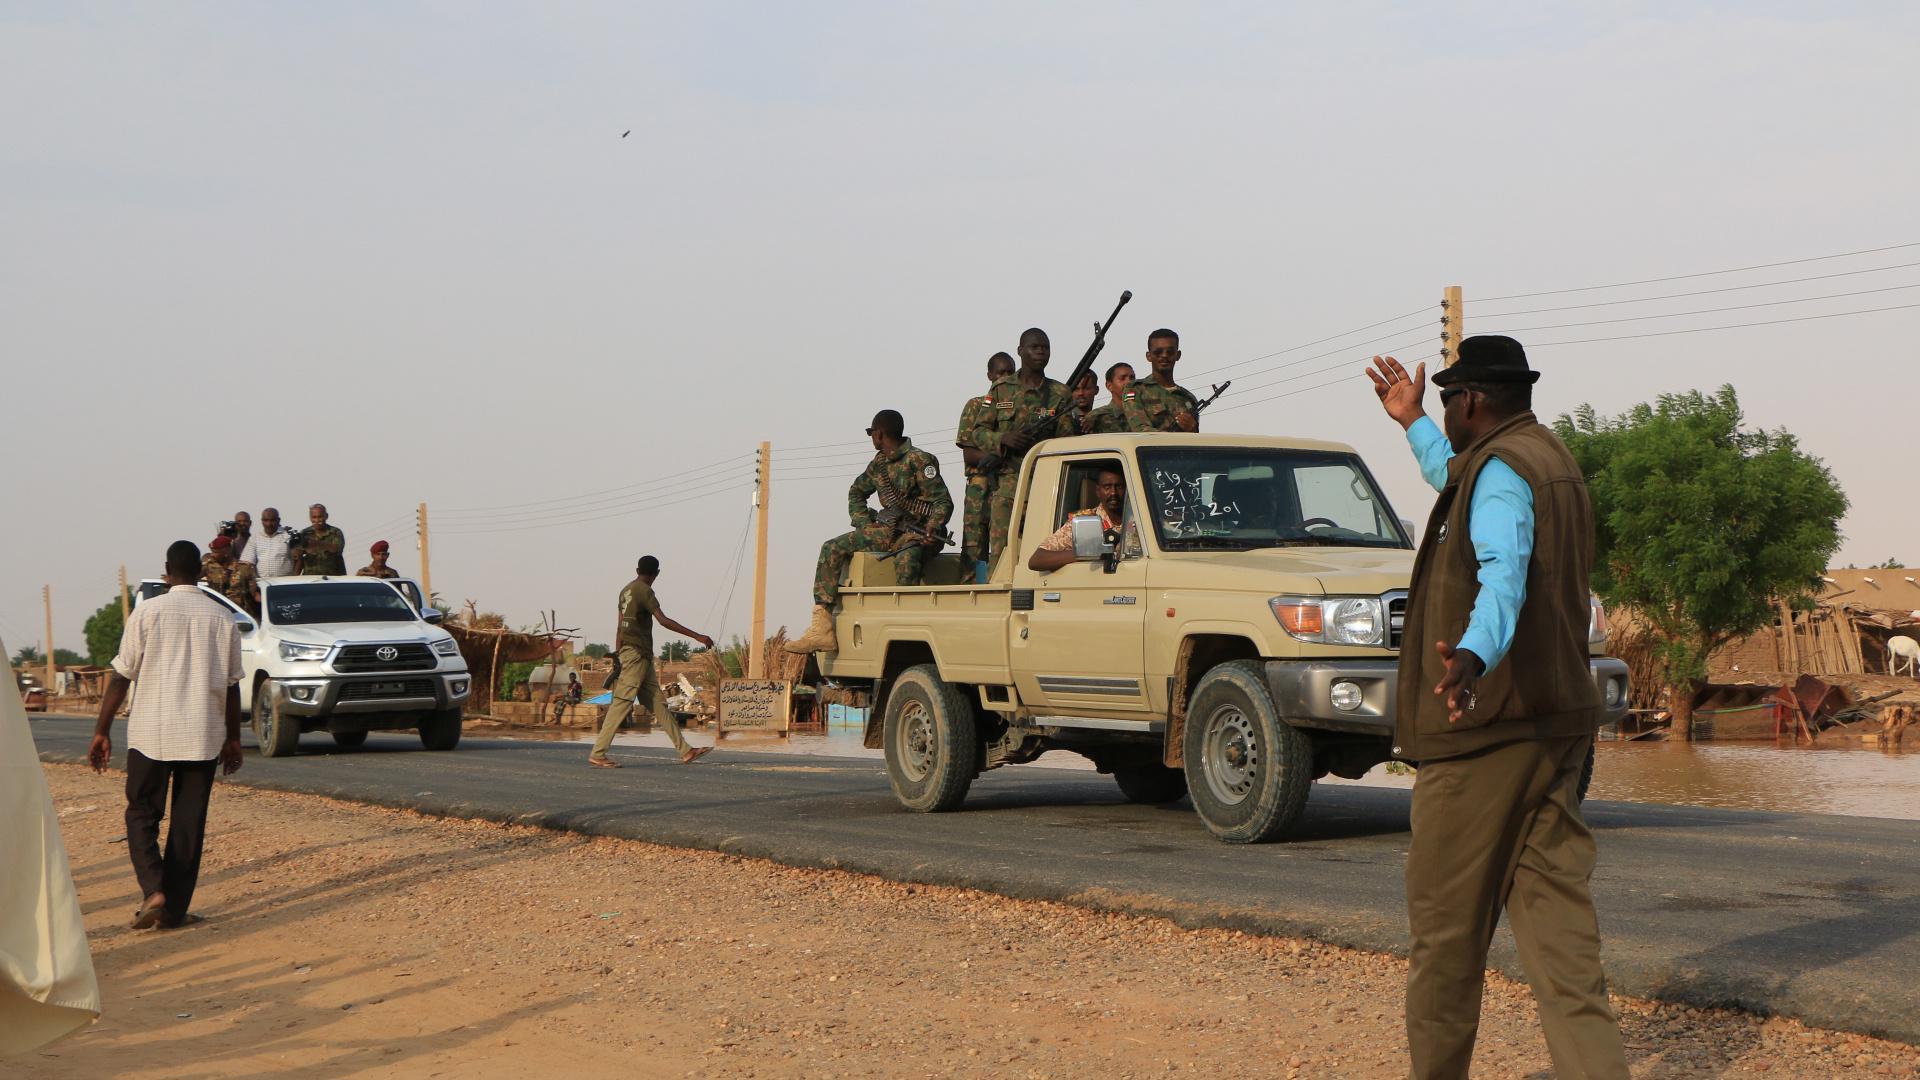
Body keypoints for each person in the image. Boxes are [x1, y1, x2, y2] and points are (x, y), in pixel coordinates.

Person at [1366, 338, 1627, 1080]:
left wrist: (1475, 656)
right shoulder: (1544, 459)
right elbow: (1456, 481)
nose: (1444, 411)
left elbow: (1503, 574)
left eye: (1446, 400)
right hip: (1557, 726)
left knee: (1445, 943)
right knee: (1560, 940)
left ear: (1472, 401)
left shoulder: (1504, 473)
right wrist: (1412, 421)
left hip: (1488, 730)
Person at [88, 540, 245, 931]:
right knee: (188, 824)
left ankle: (154, 891)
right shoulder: (222, 618)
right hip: (202, 733)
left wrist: (101, 730)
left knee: (142, 812)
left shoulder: (147, 613)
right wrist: (233, 739)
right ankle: (173, 910)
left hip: (151, 733)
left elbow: (121, 676)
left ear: (166, 571)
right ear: (202, 572)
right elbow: (232, 686)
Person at [788, 410, 954, 654]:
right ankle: (821, 629)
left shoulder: (920, 460)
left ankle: (905, 630)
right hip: (886, 530)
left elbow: (943, 502)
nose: (872, 438)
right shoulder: (878, 464)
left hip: (917, 533)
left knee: (908, 559)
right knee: (831, 547)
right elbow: (856, 492)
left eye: (871, 433)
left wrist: (933, 526)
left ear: (879, 434)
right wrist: (864, 523)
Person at [965, 328, 1078, 566]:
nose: (1040, 352)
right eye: (1034, 347)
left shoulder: (1059, 394)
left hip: (1046, 487)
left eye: (1045, 348)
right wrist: (1003, 439)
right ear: (1020, 351)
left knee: (1046, 550)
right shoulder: (1001, 389)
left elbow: (1069, 442)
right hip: (1007, 487)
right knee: (1002, 556)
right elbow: (978, 432)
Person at [590, 555, 715, 767]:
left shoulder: (625, 591)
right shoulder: (645, 591)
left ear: (637, 569)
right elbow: (663, 620)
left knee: (658, 704)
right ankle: (598, 753)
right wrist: (697, 636)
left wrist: (618, 654)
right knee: (621, 702)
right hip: (637, 655)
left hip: (638, 657)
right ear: (656, 574)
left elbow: (620, 626)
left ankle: (685, 751)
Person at [956, 351, 1017, 576]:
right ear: (990, 375)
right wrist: (1002, 452)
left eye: (1010, 372)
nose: (1005, 377)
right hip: (980, 488)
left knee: (1006, 545)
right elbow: (969, 455)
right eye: (1000, 372)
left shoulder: (1018, 406)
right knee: (974, 548)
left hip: (1009, 484)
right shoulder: (976, 405)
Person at [1026, 466, 1136, 573]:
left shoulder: (1140, 520)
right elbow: (1037, 560)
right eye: (1107, 487)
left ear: (1127, 489)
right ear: (1098, 491)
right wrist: (1087, 552)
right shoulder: (1085, 520)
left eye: (1119, 486)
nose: (1113, 493)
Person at [1122, 328, 1200, 433]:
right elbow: (1141, 430)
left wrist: (1193, 429)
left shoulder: (1188, 398)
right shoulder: (1135, 389)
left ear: (1178, 355)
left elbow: (1194, 442)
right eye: (1158, 352)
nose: (1164, 355)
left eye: (1170, 352)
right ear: (1149, 356)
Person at [200, 534, 259, 618]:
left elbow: (252, 592)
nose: (212, 555)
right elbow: (190, 579)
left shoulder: (244, 568)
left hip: (241, 615)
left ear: (226, 552)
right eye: (212, 551)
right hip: (217, 613)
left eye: (216, 552)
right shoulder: (208, 567)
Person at [290, 503, 346, 575]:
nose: (317, 520)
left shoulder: (335, 532)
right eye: (314, 517)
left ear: (326, 516)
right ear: (310, 518)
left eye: (320, 517)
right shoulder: (305, 533)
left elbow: (337, 549)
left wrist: (317, 544)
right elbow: (299, 557)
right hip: (310, 577)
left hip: (332, 577)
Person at [1083, 362, 1134, 435]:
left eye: (1132, 378)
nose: (1129, 382)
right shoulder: (1096, 417)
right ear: (1109, 386)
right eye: (1122, 378)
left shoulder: (1144, 412)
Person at [247, 506, 296, 578]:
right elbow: (249, 563)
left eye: (272, 520)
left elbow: (298, 559)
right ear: (262, 521)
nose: (269, 524)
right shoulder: (254, 539)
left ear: (278, 520)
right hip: (263, 584)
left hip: (284, 583)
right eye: (266, 520)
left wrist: (295, 579)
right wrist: (256, 580)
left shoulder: (287, 537)